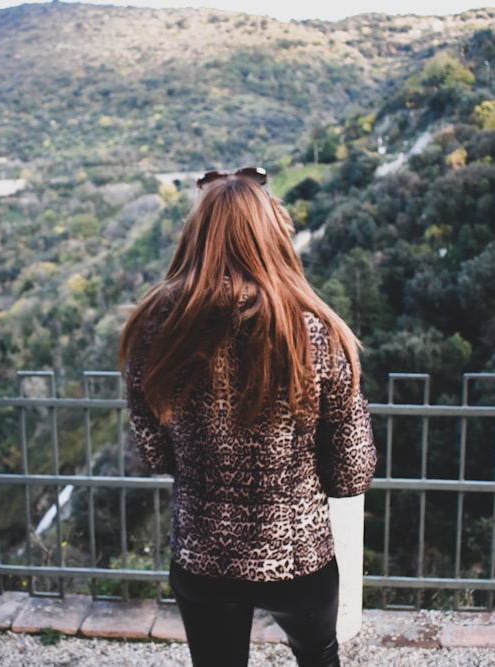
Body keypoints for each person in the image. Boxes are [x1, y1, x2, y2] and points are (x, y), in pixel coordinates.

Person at [119, 167, 376, 667]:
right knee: (318, 656)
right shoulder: (316, 332)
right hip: (297, 556)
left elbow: (153, 453)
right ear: (271, 235)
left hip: (202, 553)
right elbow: (352, 473)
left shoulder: (155, 329)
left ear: (195, 237)